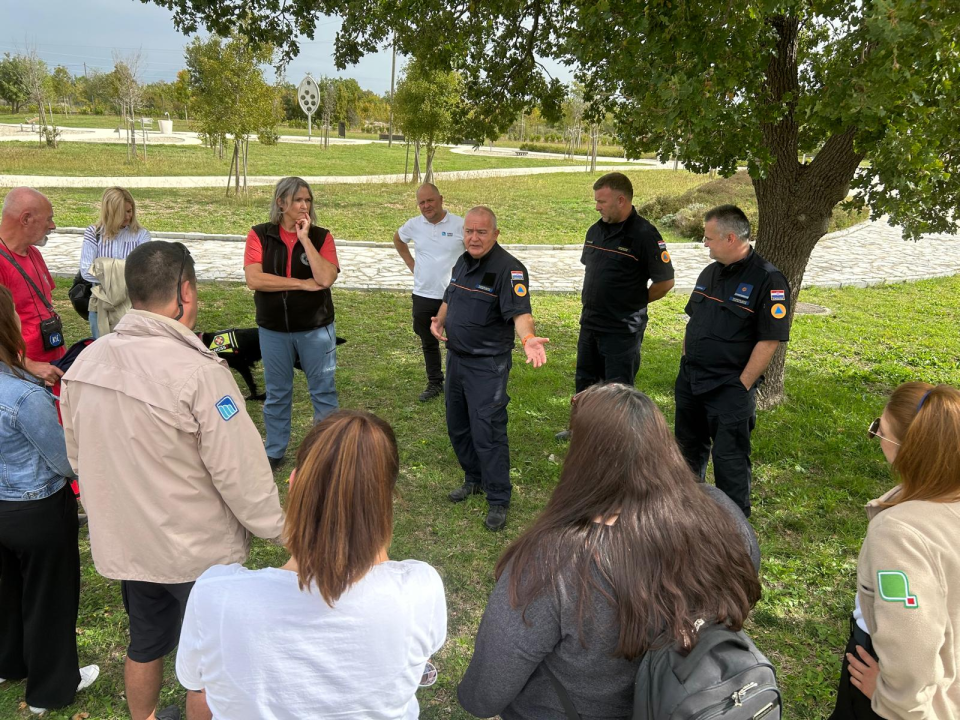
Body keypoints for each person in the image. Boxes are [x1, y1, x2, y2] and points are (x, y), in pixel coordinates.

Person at [60, 241, 285, 720]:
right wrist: (285, 531)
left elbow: (79, 457)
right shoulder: (201, 374)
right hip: (197, 554)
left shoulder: (84, 365)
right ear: (186, 291)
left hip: (130, 547)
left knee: (145, 644)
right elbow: (241, 476)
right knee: (207, 664)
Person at [457, 384, 761, 719]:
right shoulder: (722, 512)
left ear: (583, 458)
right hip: (689, 703)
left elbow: (484, 695)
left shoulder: (554, 559)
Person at [176, 410, 447, 719]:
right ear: (386, 500)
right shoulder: (420, 590)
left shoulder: (215, 595)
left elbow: (199, 690)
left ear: (293, 483)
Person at [829, 382, 960, 720]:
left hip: (892, 696)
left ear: (909, 449)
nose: (878, 439)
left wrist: (890, 700)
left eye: (880, 431)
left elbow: (911, 639)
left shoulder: (899, 533)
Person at [0, 286, 99, 715]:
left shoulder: (21, 387)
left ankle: (9, 662)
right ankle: (52, 689)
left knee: (7, 590)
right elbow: (65, 461)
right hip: (36, 507)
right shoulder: (23, 398)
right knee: (50, 598)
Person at [430, 206, 549, 532]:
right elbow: (450, 295)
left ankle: (498, 498)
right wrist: (440, 319)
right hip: (455, 359)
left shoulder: (509, 270)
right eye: (469, 231)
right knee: (458, 426)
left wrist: (528, 339)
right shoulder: (462, 262)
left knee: (488, 433)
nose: (473, 237)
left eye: (481, 232)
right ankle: (474, 479)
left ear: (495, 234)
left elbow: (521, 314)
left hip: (487, 367)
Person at [674, 204, 791, 518]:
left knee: (730, 459)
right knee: (686, 451)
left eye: (708, 237)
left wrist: (743, 384)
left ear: (729, 238)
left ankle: (733, 525)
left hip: (729, 387)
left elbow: (770, 340)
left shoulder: (769, 280)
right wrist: (686, 360)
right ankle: (686, 512)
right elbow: (694, 319)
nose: (704, 243)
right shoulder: (710, 272)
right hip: (692, 380)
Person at [556, 172, 674, 441]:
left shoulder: (645, 234)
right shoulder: (595, 230)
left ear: (621, 200)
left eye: (602, 201)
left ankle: (616, 439)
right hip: (591, 322)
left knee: (618, 388)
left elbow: (665, 281)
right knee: (585, 380)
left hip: (622, 328)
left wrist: (636, 300)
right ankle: (581, 432)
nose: (597, 206)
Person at [244, 177, 340, 471]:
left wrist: (305, 240)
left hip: (315, 329)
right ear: (280, 203)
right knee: (277, 393)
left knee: (323, 391)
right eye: (298, 200)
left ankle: (325, 452)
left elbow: (324, 279)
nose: (304, 205)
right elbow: (254, 279)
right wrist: (300, 283)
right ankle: (274, 450)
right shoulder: (259, 235)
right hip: (273, 329)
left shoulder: (322, 237)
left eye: (308, 200)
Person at [393, 183, 464, 402]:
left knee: (458, 341)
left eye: (430, 200)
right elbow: (398, 239)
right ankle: (435, 382)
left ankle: (459, 385)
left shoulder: (460, 224)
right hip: (423, 294)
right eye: (421, 202)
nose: (426, 206)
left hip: (454, 296)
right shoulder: (414, 225)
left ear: (441, 199)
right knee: (428, 341)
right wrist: (411, 263)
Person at [0, 187, 65, 387]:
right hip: (25, 375)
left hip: (51, 366)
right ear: (26, 219)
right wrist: (26, 364)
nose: (52, 226)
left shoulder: (34, 253)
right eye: (48, 219)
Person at [79, 186, 151, 338]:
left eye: (129, 211)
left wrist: (104, 268)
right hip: (101, 305)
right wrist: (124, 270)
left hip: (131, 305)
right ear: (110, 212)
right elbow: (86, 271)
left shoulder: (141, 235)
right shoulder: (94, 233)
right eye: (122, 213)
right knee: (103, 351)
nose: (127, 217)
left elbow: (142, 272)